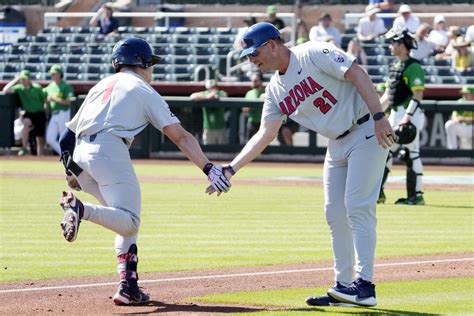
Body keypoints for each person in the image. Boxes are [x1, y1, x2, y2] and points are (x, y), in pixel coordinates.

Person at [211, 22, 395, 307]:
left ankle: (365, 286)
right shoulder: (274, 89)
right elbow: (266, 133)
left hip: (366, 129)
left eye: (253, 53)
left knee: (357, 206)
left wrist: (380, 116)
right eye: (248, 56)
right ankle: (344, 287)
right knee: (334, 213)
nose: (251, 60)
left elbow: (356, 73)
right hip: (336, 143)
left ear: (272, 44)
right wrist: (231, 168)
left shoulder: (312, 53)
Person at [57, 37, 231, 306]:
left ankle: (128, 288)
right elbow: (181, 137)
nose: (152, 70)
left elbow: (65, 139)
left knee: (122, 223)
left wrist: (71, 170)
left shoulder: (100, 85)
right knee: (130, 220)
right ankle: (81, 210)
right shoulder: (143, 90)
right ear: (142, 62)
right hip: (109, 149)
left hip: (80, 153)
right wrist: (208, 167)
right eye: (151, 64)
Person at [378, 29, 425, 205]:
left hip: (409, 114)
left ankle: (416, 195)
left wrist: (408, 116)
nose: (390, 46)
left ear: (402, 46)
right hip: (395, 114)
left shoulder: (414, 66)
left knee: (411, 153)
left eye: (393, 43)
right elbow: (387, 96)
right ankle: (378, 193)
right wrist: (375, 115)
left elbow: (418, 94)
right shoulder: (395, 65)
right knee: (385, 152)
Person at [2, 69, 46, 156]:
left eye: (25, 78)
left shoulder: (37, 88)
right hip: (29, 113)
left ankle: (40, 156)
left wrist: (47, 113)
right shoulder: (19, 88)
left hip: (40, 113)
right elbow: (5, 90)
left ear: (29, 79)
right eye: (22, 79)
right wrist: (15, 80)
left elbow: (44, 101)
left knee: (39, 137)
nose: (23, 80)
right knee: (25, 124)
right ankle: (24, 147)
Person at [44, 65, 75, 155]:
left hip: (64, 113)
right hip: (54, 114)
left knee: (63, 137)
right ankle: (64, 154)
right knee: (50, 138)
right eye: (52, 74)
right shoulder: (50, 86)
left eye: (54, 73)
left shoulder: (66, 86)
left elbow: (70, 102)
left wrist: (55, 99)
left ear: (59, 74)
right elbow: (43, 94)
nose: (52, 75)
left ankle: (68, 155)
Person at [190, 80, 228, 145]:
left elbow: (224, 95)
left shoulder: (220, 93)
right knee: (208, 151)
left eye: (214, 87)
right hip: (208, 128)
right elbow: (192, 97)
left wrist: (215, 95)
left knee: (223, 150)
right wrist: (207, 97)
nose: (212, 89)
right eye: (211, 87)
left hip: (220, 128)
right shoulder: (205, 93)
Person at [445, 84, 474, 149]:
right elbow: (454, 118)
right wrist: (465, 120)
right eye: (463, 93)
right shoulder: (460, 102)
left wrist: (463, 119)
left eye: (467, 93)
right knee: (449, 124)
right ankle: (452, 151)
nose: (464, 95)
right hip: (464, 128)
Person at [243, 72, 265, 140]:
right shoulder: (249, 93)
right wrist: (252, 107)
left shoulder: (266, 92)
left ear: (260, 81)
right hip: (252, 122)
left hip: (264, 123)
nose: (253, 82)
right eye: (252, 81)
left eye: (255, 81)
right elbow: (244, 109)